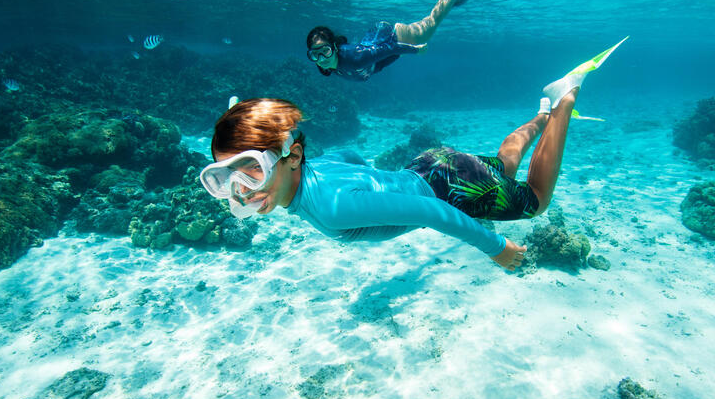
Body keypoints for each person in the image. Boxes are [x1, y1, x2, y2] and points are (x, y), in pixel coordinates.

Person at [200, 38, 628, 270]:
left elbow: (429, 213)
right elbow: (350, 158)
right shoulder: (312, 168)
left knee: (534, 201)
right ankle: (542, 112)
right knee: (503, 169)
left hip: (445, 190)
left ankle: (567, 96)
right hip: (429, 166)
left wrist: (494, 246)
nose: (239, 192)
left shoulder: (329, 208)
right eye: (223, 178)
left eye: (250, 171)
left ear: (291, 157)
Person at [305, 0, 497, 81]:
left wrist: (415, 50)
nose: (321, 59)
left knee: (428, 28)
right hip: (381, 43)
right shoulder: (327, 66)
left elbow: (390, 48)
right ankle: (453, 0)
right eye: (315, 54)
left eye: (325, 51)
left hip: (393, 37)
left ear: (335, 48)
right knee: (430, 24)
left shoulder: (356, 58)